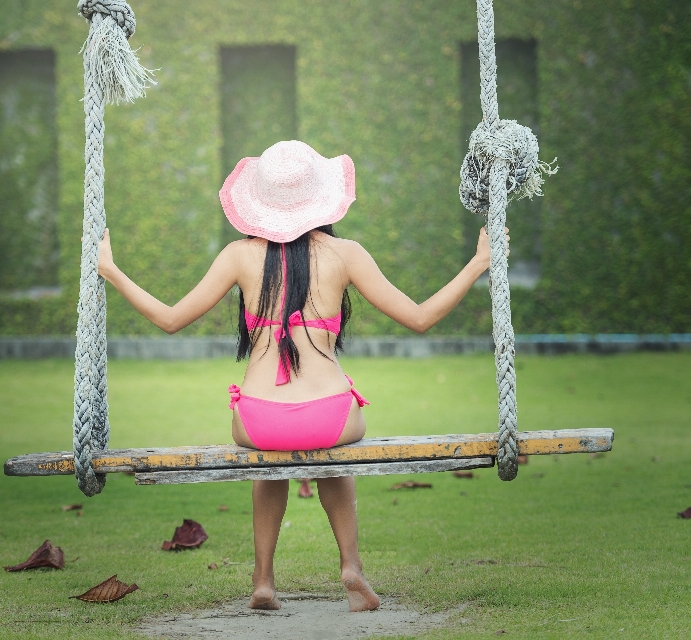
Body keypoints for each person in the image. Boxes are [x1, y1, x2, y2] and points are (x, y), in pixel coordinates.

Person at [96, 140, 508, 612]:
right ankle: (351, 564)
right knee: (333, 455)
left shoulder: (238, 256)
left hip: (258, 420)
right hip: (330, 416)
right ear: (321, 198)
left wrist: (112, 270)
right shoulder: (345, 254)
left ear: (260, 203)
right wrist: (480, 261)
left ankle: (263, 578)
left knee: (269, 460)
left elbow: (170, 319)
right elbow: (419, 317)